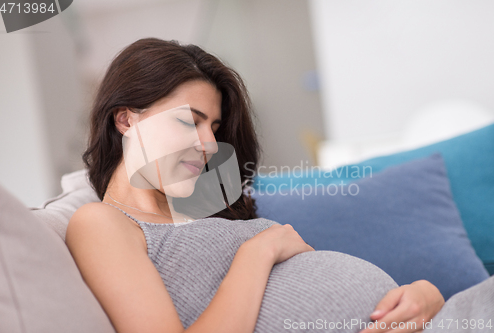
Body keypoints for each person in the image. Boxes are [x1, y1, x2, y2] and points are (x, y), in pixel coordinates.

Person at [65, 38, 445, 333]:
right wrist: (257, 253)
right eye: (189, 122)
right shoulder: (100, 223)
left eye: (214, 128)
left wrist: (427, 297)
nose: (211, 145)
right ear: (126, 120)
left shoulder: (206, 207)